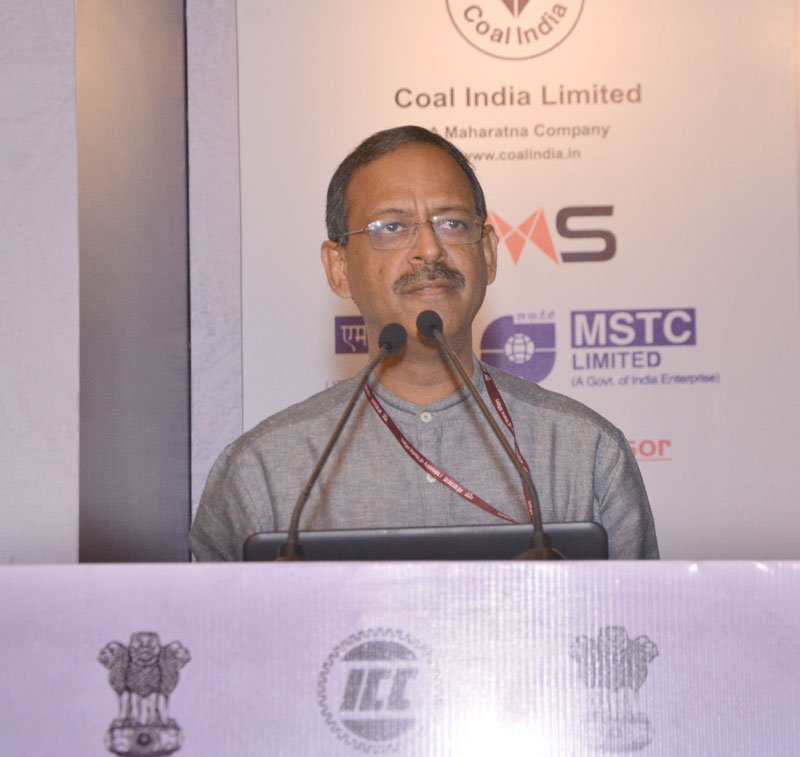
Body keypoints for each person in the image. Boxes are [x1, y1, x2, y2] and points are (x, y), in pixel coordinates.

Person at [190, 125, 659, 561]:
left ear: (489, 255)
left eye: (452, 223)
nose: (430, 250)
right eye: (391, 227)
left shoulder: (584, 450)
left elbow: (644, 638)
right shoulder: (264, 470)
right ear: (338, 267)